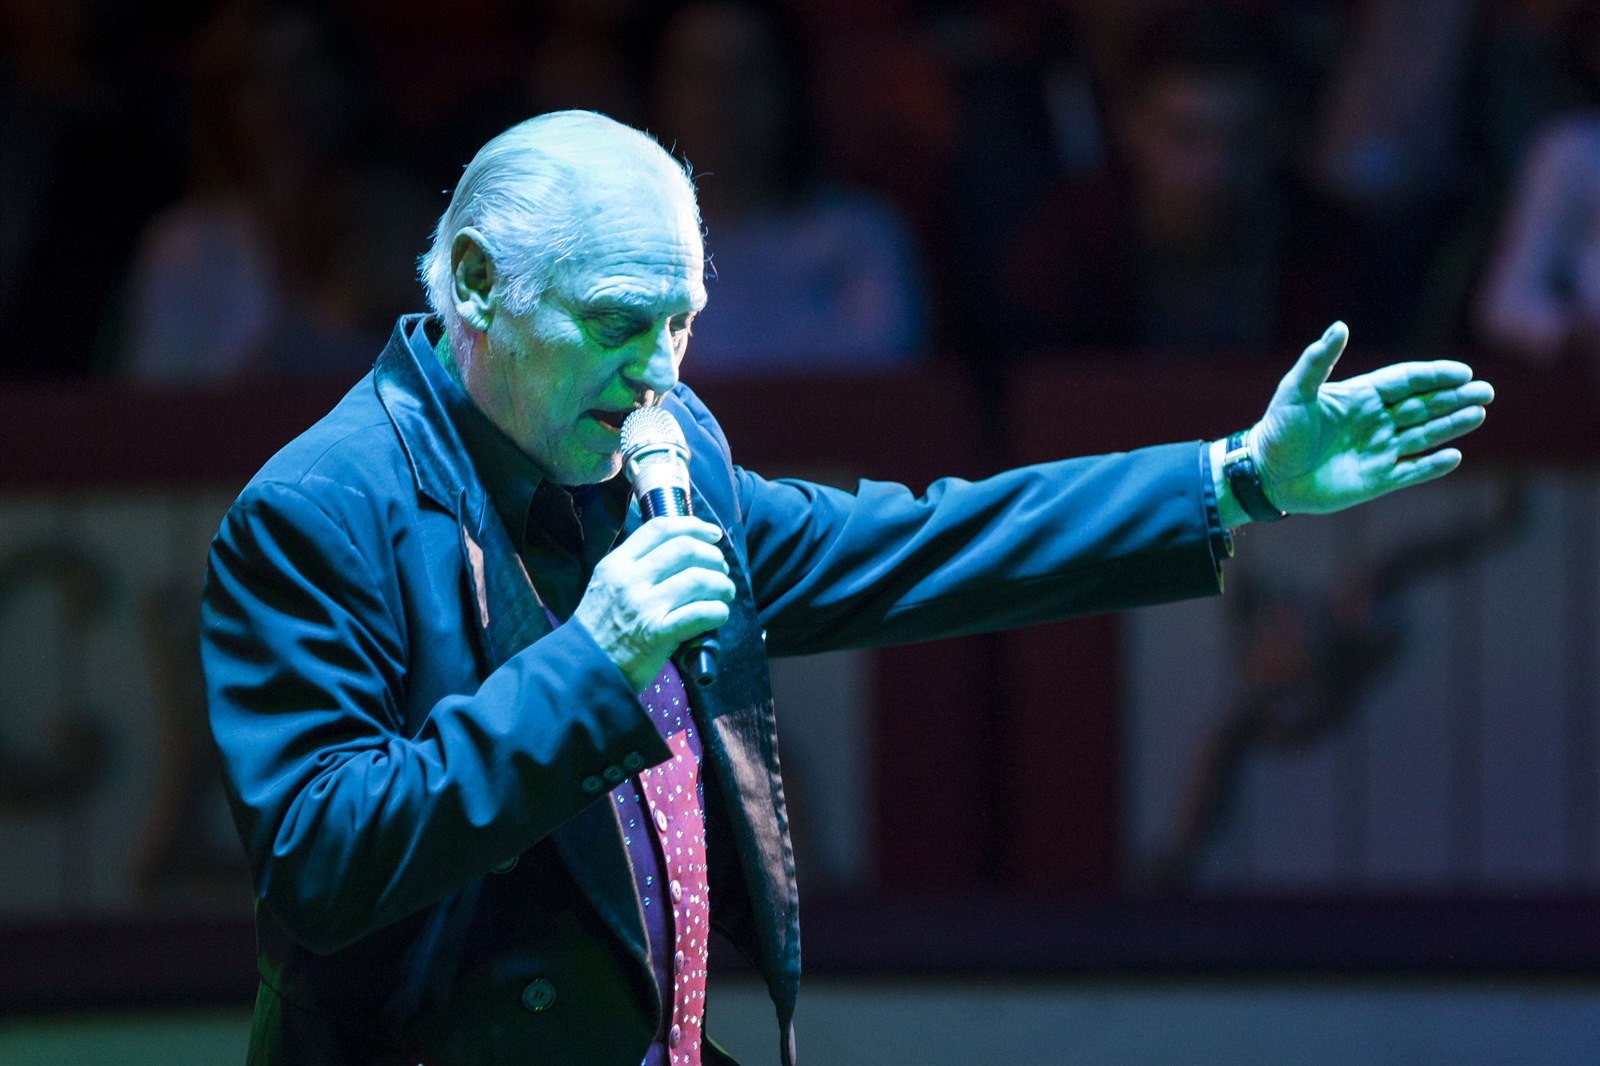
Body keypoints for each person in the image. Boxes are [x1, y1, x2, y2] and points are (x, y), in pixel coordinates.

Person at [200, 111, 1494, 1065]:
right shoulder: (319, 510)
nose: (661, 371)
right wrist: (591, 665)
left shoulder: (659, 445)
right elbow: (322, 858)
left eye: (681, 319)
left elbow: (921, 545)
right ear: (479, 284)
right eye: (616, 321)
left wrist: (1239, 478)